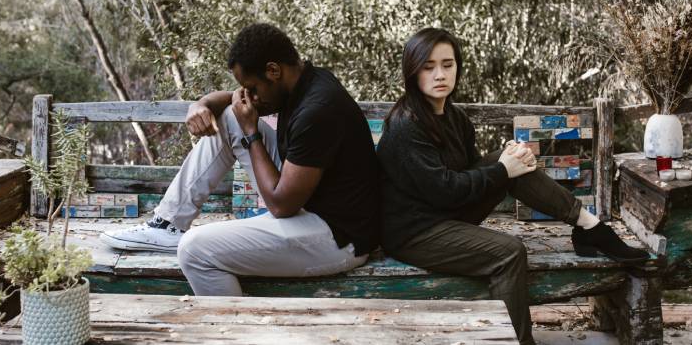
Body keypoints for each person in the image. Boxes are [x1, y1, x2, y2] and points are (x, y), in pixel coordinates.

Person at [376, 28, 649, 345]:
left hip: (442, 212)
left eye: (447, 64)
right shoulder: (406, 124)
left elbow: (468, 171)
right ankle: (520, 341)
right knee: (509, 252)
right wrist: (503, 168)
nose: (440, 74)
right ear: (412, 71)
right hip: (413, 231)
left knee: (510, 161)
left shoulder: (454, 116)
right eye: (428, 66)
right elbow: (446, 189)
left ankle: (588, 225)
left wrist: (507, 160)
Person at [100, 23, 381, 296]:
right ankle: (168, 223)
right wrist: (202, 106)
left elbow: (282, 205)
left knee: (195, 250)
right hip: (308, 203)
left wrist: (251, 132)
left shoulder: (318, 110)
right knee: (232, 115)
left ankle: (237, 328)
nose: (250, 97)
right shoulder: (302, 80)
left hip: (338, 238)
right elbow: (234, 100)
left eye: (252, 88)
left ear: (274, 70)